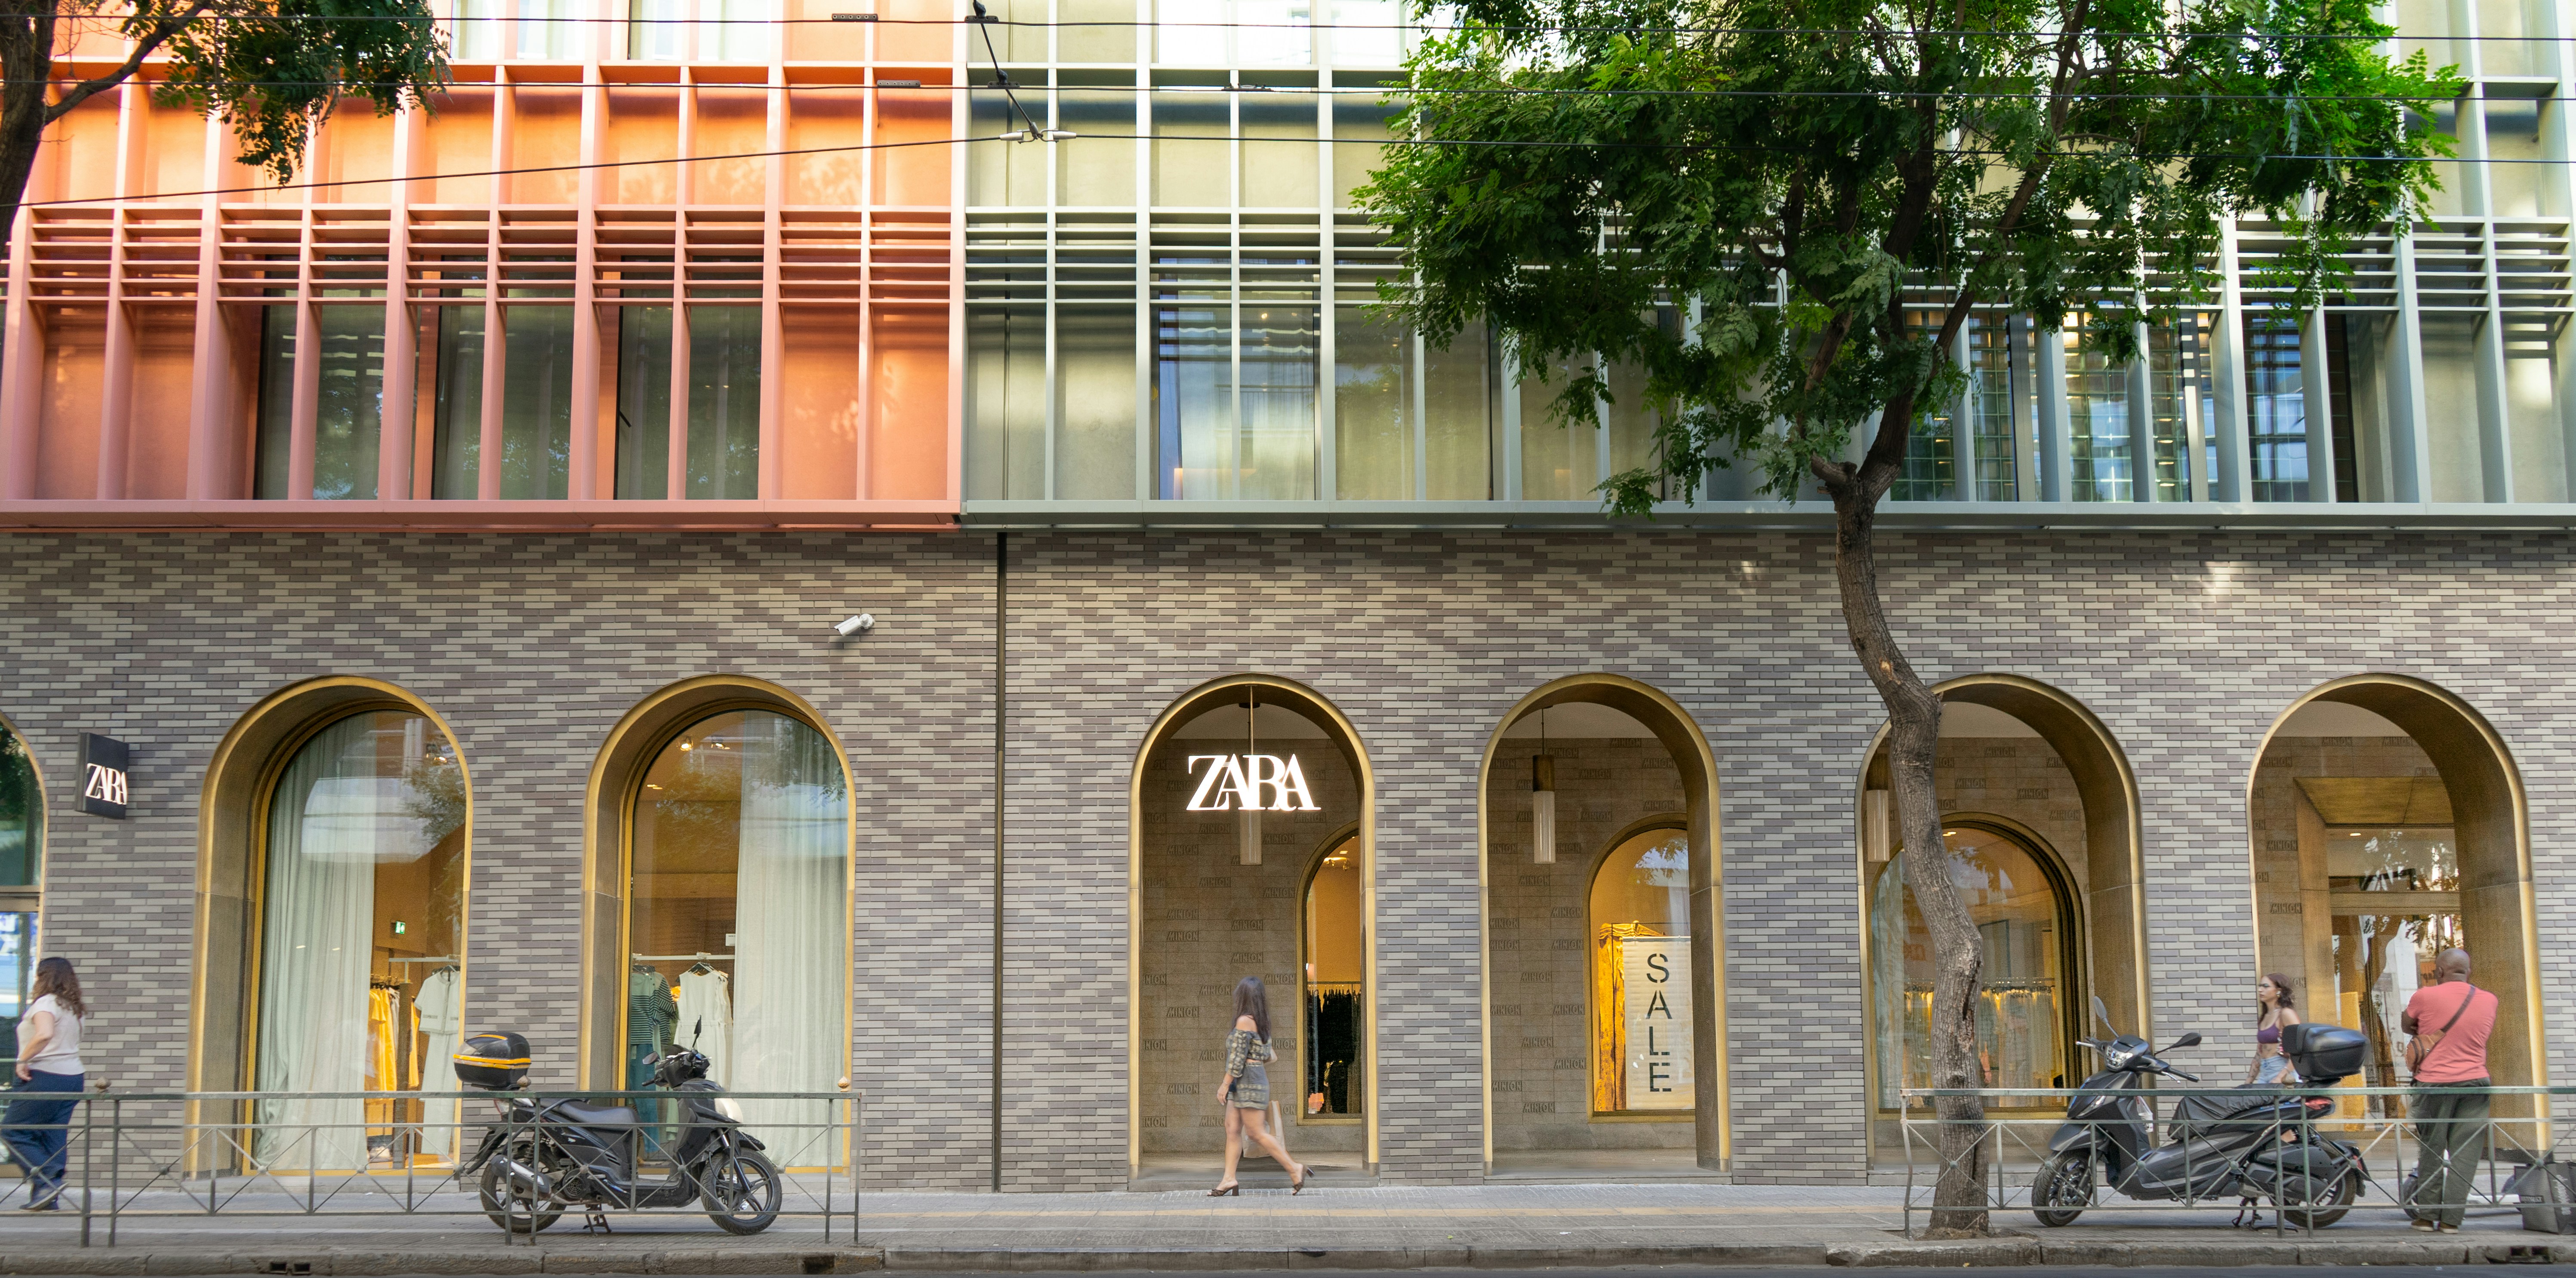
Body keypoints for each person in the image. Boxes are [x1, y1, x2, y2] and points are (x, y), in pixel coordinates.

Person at [2403, 948, 2496, 1235]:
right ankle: (2452, 1221)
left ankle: (2426, 1217)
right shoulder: (2489, 1000)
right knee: (2466, 1153)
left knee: (2431, 1149)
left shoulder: (2424, 996)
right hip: (2476, 1083)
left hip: (2434, 1084)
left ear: (2439, 972)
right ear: (2468, 972)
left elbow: (2408, 1025)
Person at [1209, 976, 1307, 1197]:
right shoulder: (1262, 1022)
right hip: (1249, 1078)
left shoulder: (1244, 1020)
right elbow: (1265, 1055)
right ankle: (1229, 1179)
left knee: (1255, 1132)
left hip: (1248, 1080)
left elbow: (1236, 1059)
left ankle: (1295, 1168)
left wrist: (1224, 1085)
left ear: (1242, 998)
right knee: (1232, 1129)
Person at [2, 958, 86, 1211]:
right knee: (52, 1133)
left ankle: (47, 1178)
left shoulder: (47, 1003)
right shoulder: (72, 1007)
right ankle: (48, 1195)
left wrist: (22, 1060)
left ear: (43, 977)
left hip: (45, 1075)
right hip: (73, 1078)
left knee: (12, 1130)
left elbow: (45, 1034)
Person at [2246, 973, 2303, 1086]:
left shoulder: (2286, 1013)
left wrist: (2281, 1077)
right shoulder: (2265, 1016)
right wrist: (2247, 1084)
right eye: (2260, 986)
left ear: (2279, 991)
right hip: (2265, 1070)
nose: (2260, 990)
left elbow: (2299, 1050)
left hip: (2282, 1069)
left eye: (2266, 986)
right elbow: (2259, 1053)